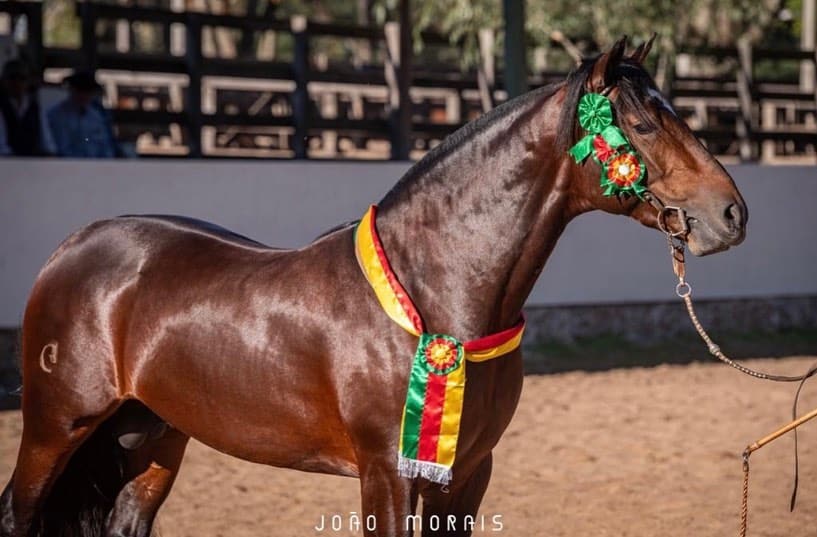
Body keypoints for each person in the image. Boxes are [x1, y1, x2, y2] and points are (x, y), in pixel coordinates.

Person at [47, 70, 119, 158]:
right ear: (72, 90)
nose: (84, 95)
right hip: (67, 166)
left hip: (97, 166)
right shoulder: (57, 115)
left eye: (88, 91)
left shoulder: (97, 116)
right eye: (80, 90)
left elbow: (106, 146)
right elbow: (60, 148)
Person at [0, 59, 56, 156]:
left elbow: (46, 141)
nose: (17, 83)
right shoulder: (2, 107)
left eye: (22, 78)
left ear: (28, 81)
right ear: (4, 81)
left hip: (33, 162)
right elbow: (2, 146)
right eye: (12, 78)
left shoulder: (35, 108)